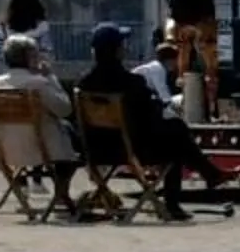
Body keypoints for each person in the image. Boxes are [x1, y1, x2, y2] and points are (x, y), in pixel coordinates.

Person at [79, 24, 223, 220]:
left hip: (97, 150)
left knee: (175, 132)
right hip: (132, 150)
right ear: (118, 51)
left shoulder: (83, 85)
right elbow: (152, 115)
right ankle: (176, 200)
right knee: (176, 133)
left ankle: (209, 173)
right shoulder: (132, 83)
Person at [0, 33, 82, 216]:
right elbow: (65, 109)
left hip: (8, 149)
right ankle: (61, 194)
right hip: (42, 149)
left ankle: (26, 193)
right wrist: (51, 77)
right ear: (30, 58)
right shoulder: (39, 83)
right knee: (72, 143)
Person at [163, 0, 220, 109]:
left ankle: (209, 99)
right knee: (184, 47)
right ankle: (188, 92)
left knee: (206, 54)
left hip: (198, 14)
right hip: (185, 15)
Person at [0, 0, 54, 78]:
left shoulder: (3, 28)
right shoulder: (42, 26)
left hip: (9, 74)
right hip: (36, 74)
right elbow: (46, 52)